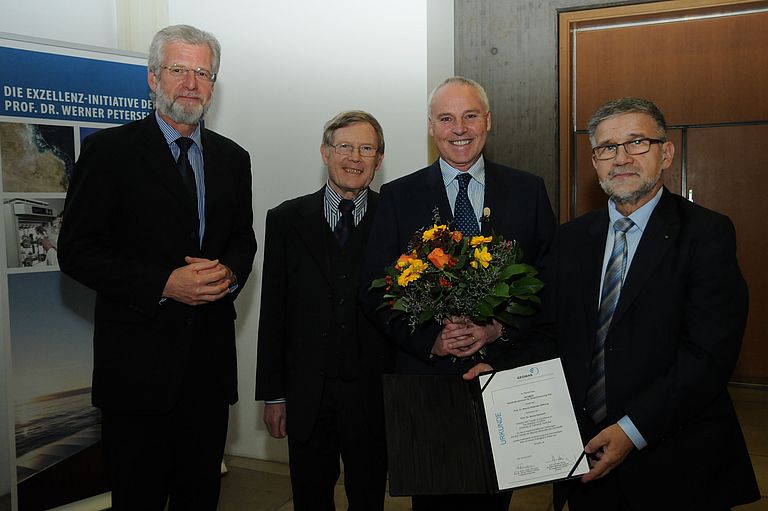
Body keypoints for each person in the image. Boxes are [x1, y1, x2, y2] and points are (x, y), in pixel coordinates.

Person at [470, 97, 760, 510]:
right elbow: (554, 331)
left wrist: (632, 429)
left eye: (637, 142)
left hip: (677, 461)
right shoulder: (571, 239)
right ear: (594, 161)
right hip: (586, 459)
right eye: (607, 147)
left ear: (666, 153)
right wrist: (503, 370)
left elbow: (709, 355)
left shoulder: (706, 234)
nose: (621, 158)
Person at [57, 24, 257, 511]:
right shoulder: (109, 153)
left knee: (199, 497)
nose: (191, 83)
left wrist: (229, 274)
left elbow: (242, 240)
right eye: (178, 70)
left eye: (203, 72)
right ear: (152, 78)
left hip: (208, 373)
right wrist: (164, 283)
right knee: (137, 499)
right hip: (136, 374)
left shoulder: (233, 158)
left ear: (214, 83)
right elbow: (76, 250)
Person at [360, 76, 556, 511]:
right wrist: (431, 338)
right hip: (426, 388)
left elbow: (550, 283)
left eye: (470, 116)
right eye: (446, 118)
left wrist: (496, 330)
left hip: (504, 379)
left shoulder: (529, 191)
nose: (459, 128)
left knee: (495, 502)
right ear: (431, 127)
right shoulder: (397, 196)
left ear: (488, 121)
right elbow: (372, 290)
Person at [255, 110, 393, 510]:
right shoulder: (285, 220)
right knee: (310, 499)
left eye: (366, 148)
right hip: (306, 395)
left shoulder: (396, 219)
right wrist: (274, 395)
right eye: (345, 146)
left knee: (369, 499)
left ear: (379, 160)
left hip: (373, 395)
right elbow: (273, 312)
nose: (354, 157)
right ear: (325, 153)